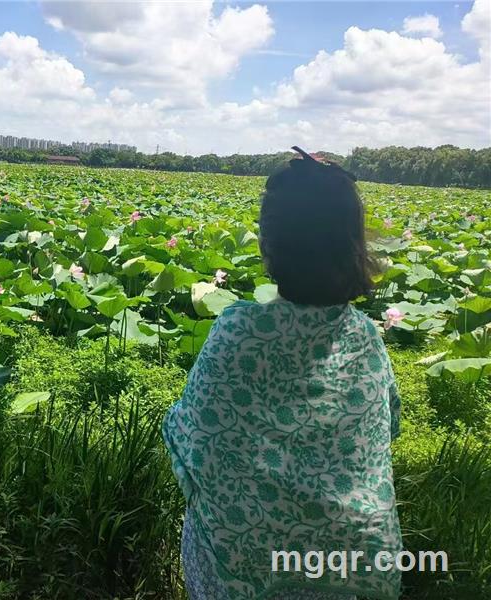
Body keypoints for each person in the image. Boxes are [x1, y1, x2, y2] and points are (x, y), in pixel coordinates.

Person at [162, 147, 402, 600]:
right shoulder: (367, 336)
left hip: (241, 570)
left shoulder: (237, 329)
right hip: (348, 567)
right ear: (355, 247)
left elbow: (192, 444)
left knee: (206, 518)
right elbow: (388, 429)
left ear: (267, 245)